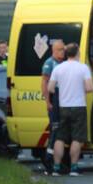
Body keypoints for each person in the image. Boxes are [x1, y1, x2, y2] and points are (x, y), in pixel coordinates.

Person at [47, 43, 93, 176]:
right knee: (77, 138)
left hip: (63, 107)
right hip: (78, 107)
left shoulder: (58, 68)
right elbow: (90, 88)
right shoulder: (83, 68)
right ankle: (74, 168)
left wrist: (62, 89)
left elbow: (50, 88)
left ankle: (56, 168)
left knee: (60, 138)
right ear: (78, 53)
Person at [40, 40, 65, 171]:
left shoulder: (64, 62)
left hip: (63, 99)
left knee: (61, 131)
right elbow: (44, 83)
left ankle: (59, 161)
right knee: (55, 130)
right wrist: (47, 101)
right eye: (60, 49)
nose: (63, 52)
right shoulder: (49, 63)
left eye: (63, 49)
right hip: (54, 98)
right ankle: (48, 160)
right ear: (53, 50)